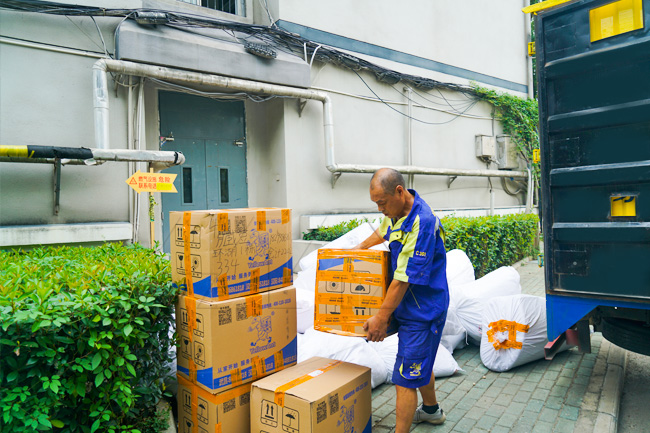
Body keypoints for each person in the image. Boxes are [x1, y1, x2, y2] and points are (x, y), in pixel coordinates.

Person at [354, 168, 449, 432]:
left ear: (399, 191)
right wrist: (358, 249)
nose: (380, 209)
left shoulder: (422, 222)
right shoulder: (397, 213)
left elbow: (403, 279)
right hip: (410, 304)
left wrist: (381, 317)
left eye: (382, 203)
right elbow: (384, 231)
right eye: (376, 204)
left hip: (423, 310)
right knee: (418, 360)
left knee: (405, 377)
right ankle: (431, 411)